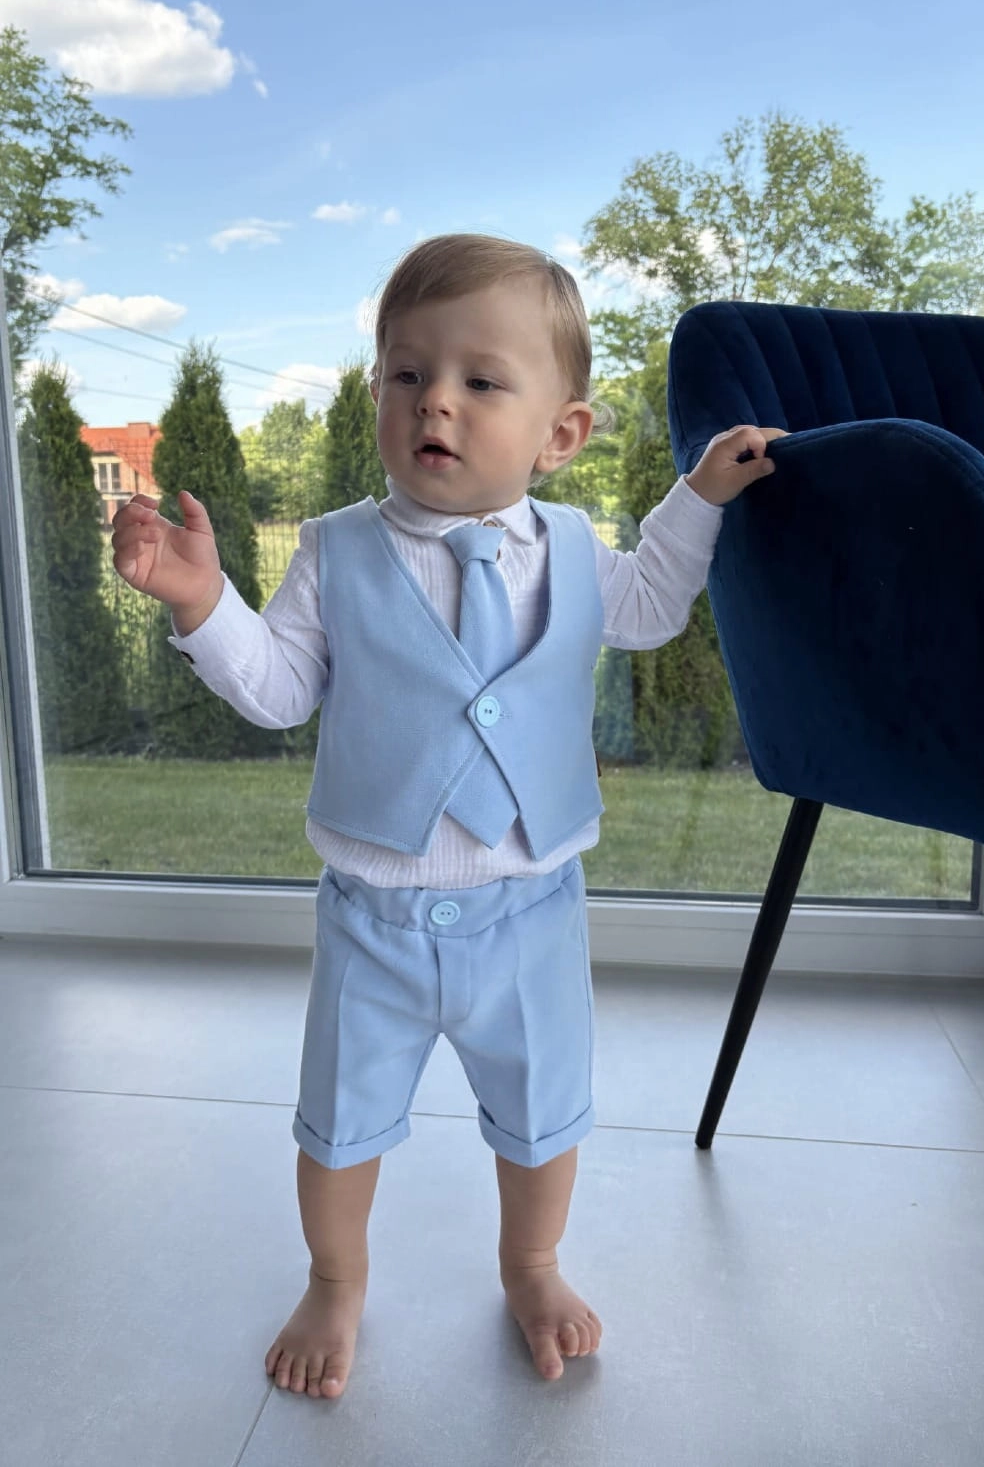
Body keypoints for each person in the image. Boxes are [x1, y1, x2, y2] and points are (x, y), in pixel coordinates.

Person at [112, 233, 782, 1401]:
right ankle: (334, 1280)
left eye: (481, 380)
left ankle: (532, 1264)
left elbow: (650, 606)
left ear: (559, 435)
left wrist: (698, 498)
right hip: (372, 922)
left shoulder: (572, 551)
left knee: (543, 1117)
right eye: (407, 374)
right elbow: (279, 690)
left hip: (531, 914)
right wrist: (202, 600)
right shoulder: (334, 552)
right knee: (338, 1123)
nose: (435, 402)